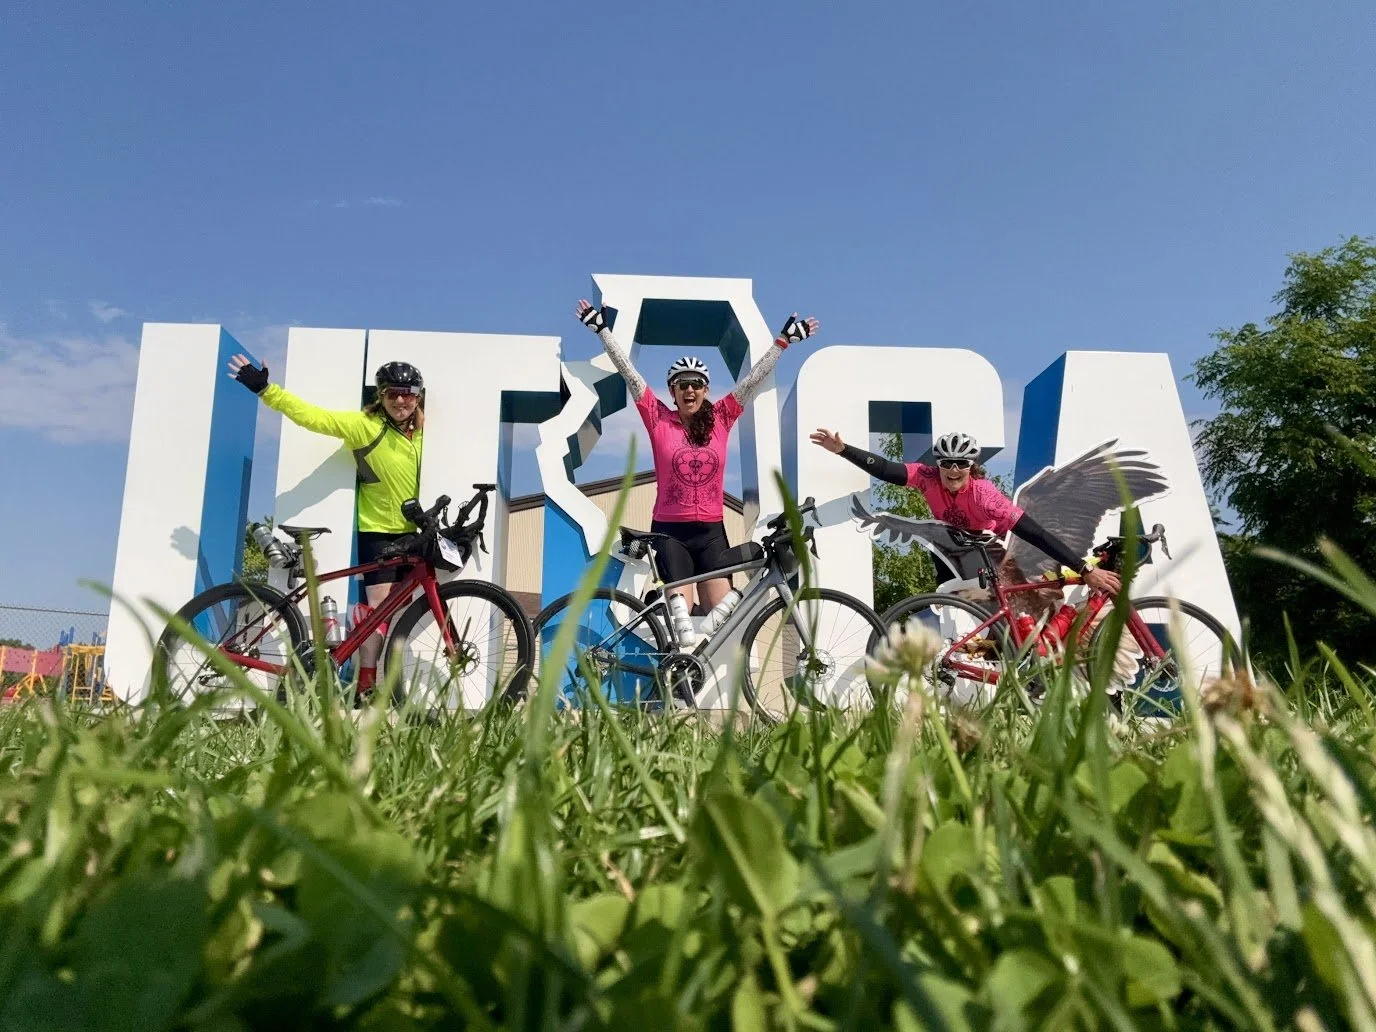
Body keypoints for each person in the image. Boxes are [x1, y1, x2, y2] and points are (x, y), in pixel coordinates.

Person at [575, 299, 818, 645]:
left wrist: (783, 343)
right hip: (670, 532)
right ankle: (666, 661)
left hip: (710, 532)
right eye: (682, 384)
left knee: (724, 616)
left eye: (697, 384)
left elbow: (752, 380)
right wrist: (601, 331)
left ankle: (690, 664)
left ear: (706, 391)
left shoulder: (721, 417)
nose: (689, 389)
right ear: (672, 392)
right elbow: (629, 373)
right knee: (682, 623)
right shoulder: (658, 418)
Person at [226, 353, 425, 695]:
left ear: (418, 395)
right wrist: (265, 390)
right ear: (381, 396)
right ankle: (364, 684)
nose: (400, 400)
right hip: (378, 532)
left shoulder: (424, 435)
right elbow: (314, 418)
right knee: (379, 611)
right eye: (392, 393)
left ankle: (368, 677)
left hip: (414, 533)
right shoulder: (365, 427)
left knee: (396, 610)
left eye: (407, 393)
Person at [809, 428, 1123, 600]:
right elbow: (887, 470)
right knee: (950, 603)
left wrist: (1083, 569)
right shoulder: (926, 477)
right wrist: (843, 449)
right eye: (947, 463)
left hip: (990, 553)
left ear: (971, 468)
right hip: (953, 548)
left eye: (962, 464)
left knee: (999, 604)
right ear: (939, 465)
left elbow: (1035, 533)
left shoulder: (985, 495)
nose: (954, 470)